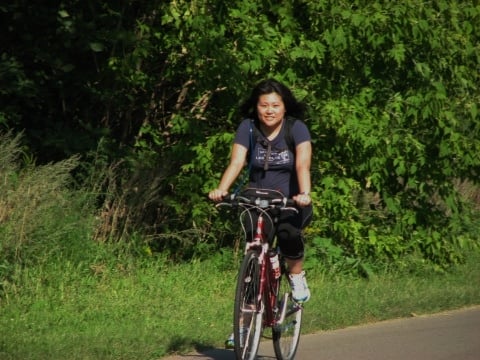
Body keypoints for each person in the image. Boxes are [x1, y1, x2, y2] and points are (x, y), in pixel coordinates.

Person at [209, 78, 313, 303]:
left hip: (289, 201)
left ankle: (296, 276)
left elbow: (302, 164)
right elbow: (237, 162)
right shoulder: (248, 127)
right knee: (254, 253)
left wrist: (304, 194)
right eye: (264, 105)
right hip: (256, 200)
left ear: (284, 106)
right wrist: (221, 190)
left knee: (288, 235)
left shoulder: (296, 128)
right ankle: (245, 323)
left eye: (275, 105)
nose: (269, 111)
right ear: (256, 107)